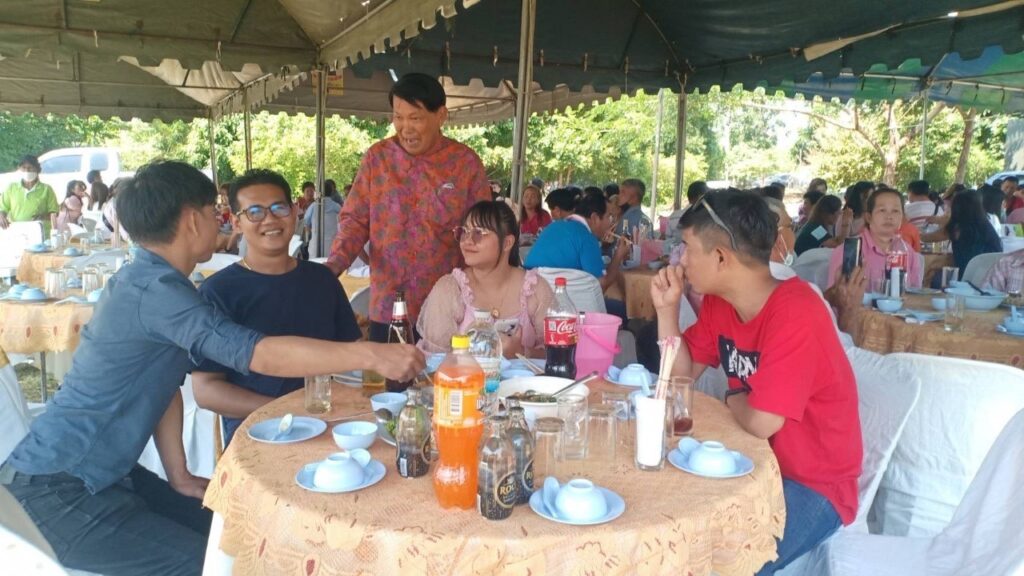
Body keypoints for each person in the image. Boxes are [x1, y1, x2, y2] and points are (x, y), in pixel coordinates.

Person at [0, 160, 423, 576]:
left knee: (241, 538)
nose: (220, 221)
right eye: (214, 211)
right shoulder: (156, 291)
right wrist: (371, 354)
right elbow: (257, 353)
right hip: (60, 492)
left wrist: (179, 474)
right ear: (191, 220)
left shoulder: (152, 282)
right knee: (225, 565)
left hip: (108, 477)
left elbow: (165, 384)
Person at [650, 190, 860, 574]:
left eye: (687, 248)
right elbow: (680, 377)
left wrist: (734, 397)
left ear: (720, 257)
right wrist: (667, 311)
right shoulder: (720, 302)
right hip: (751, 466)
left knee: (730, 565)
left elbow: (763, 421)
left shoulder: (796, 312)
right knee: (669, 537)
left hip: (811, 483)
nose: (680, 260)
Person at [193, 169, 362, 445]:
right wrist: (284, 410)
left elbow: (351, 356)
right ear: (236, 222)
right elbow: (206, 390)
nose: (270, 219)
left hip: (328, 426)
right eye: (255, 212)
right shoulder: (219, 292)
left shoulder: (321, 280)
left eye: (278, 208)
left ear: (295, 211)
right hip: (258, 433)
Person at [325, 72, 491, 342]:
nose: (405, 128)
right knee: (389, 369)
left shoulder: (465, 163)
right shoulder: (378, 158)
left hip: (449, 304)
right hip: (389, 303)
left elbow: (483, 230)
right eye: (398, 117)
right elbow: (354, 220)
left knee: (447, 369)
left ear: (441, 116)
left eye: (415, 118)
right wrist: (334, 264)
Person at [418, 201, 554, 358]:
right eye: (464, 232)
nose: (467, 241)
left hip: (523, 376)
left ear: (507, 243)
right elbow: (434, 359)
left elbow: (557, 354)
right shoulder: (451, 289)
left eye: (478, 233)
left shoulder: (534, 288)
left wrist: (522, 352)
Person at [524, 190, 630, 319]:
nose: (611, 222)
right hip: (573, 313)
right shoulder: (587, 238)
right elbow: (600, 286)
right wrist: (619, 255)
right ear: (595, 218)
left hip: (536, 308)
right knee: (623, 310)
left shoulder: (551, 227)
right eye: (609, 217)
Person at [827, 187, 923, 290]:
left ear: (902, 217)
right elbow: (834, 296)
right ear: (868, 217)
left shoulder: (907, 251)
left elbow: (915, 293)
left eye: (895, 211)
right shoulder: (848, 251)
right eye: (882, 210)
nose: (889, 216)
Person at [921, 189, 1003, 280]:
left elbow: (929, 238)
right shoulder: (986, 226)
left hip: (966, 278)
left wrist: (914, 232)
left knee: (932, 271)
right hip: (992, 278)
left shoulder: (958, 228)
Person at [0, 154, 59, 235]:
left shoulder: (47, 189)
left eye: (30, 167)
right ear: (19, 169)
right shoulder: (11, 188)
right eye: (23, 167)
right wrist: (1, 216)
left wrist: (44, 216)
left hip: (40, 233)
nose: (27, 171)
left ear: (37, 169)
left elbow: (55, 213)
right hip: (17, 233)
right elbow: (2, 208)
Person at [305, 189, 341, 259]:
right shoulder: (336, 206)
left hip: (315, 247)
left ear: (319, 192)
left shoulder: (313, 206)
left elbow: (306, 222)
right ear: (331, 192)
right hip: (333, 247)